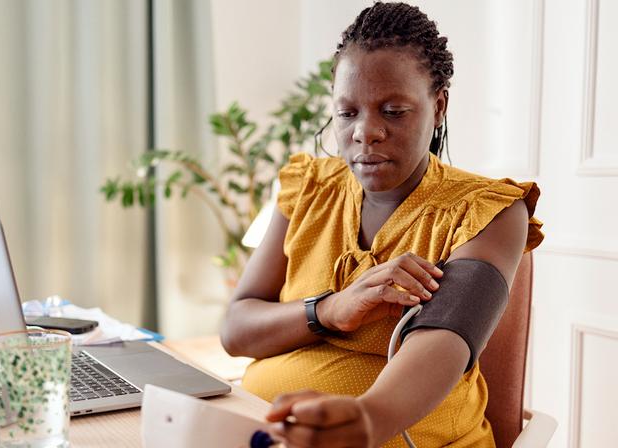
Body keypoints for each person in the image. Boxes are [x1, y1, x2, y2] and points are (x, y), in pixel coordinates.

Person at [219, 2, 544, 447]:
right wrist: (330, 310)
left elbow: (446, 336)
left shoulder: (490, 211)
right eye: (347, 112)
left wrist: (370, 418)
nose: (364, 132)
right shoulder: (308, 187)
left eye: (393, 111)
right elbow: (237, 329)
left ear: (439, 106)